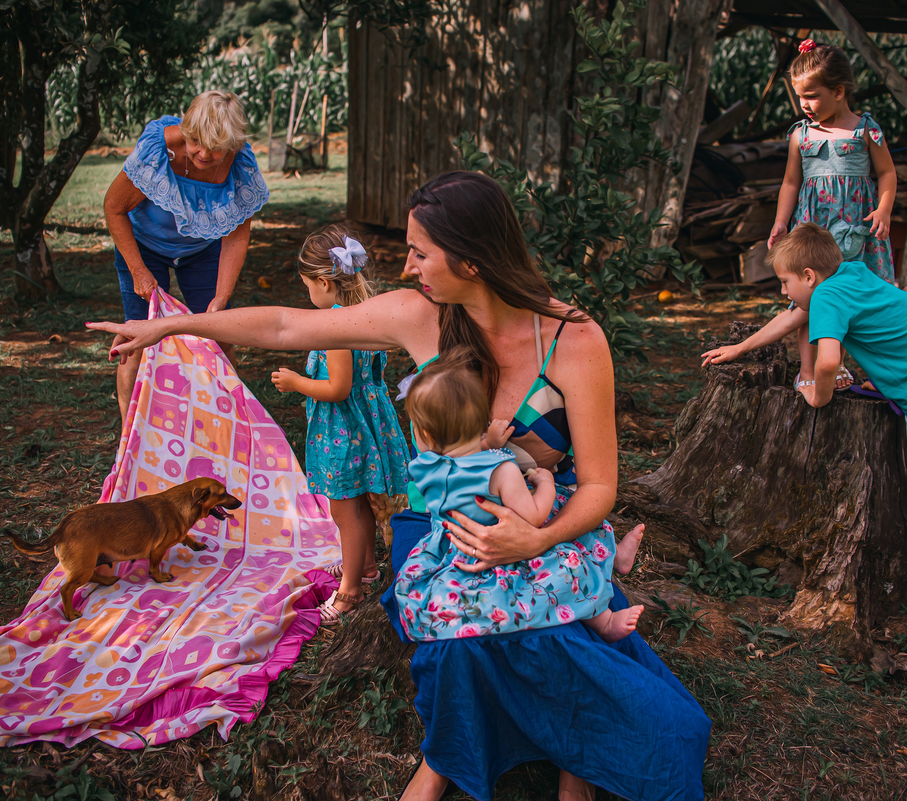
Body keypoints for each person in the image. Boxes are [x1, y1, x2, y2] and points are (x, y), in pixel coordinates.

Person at [87, 171, 710, 801]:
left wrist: (536, 538)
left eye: (420, 253)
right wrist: (173, 327)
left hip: (543, 515)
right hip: (444, 523)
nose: (407, 267)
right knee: (456, 644)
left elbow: (600, 485)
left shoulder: (573, 340)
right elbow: (285, 328)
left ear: (471, 261)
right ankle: (449, 758)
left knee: (559, 636)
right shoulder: (420, 317)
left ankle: (577, 770)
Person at [771, 224, 907, 658]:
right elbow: (794, 316)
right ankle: (902, 368)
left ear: (809, 276)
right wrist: (739, 349)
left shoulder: (824, 299)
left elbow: (827, 362)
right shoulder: (853, 271)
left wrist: (817, 395)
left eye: (786, 282)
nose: (784, 292)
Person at [396, 347, 644, 643]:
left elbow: (459, 461)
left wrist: (487, 444)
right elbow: (533, 517)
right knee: (568, 562)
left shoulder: (425, 467)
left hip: (454, 553)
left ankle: (615, 560)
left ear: (424, 434)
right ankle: (604, 621)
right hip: (505, 549)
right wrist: (546, 483)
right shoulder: (502, 471)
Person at [103, 90, 269, 425]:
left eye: (216, 147)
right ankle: (130, 435)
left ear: (233, 144)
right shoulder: (158, 149)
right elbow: (113, 207)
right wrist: (138, 271)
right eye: (196, 142)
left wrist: (221, 297)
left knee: (221, 333)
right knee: (137, 338)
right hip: (144, 245)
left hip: (201, 249)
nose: (204, 154)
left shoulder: (240, 164)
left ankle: (230, 427)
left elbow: (236, 236)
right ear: (186, 130)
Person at [269, 225, 409, 623]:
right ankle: (364, 568)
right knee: (359, 504)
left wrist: (296, 382)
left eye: (307, 286)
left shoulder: (335, 327)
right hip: (367, 424)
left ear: (324, 282)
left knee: (345, 513)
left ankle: (349, 592)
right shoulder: (365, 313)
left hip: (344, 433)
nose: (307, 295)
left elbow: (338, 388)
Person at [764, 39, 898, 391]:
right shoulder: (800, 135)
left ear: (839, 91)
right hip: (813, 228)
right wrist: (781, 221)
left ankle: (840, 365)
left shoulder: (866, 130)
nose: (804, 105)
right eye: (800, 97)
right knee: (810, 299)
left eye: (812, 96)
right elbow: (791, 182)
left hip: (854, 230)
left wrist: (883, 209)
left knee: (852, 296)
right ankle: (809, 370)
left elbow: (887, 172)